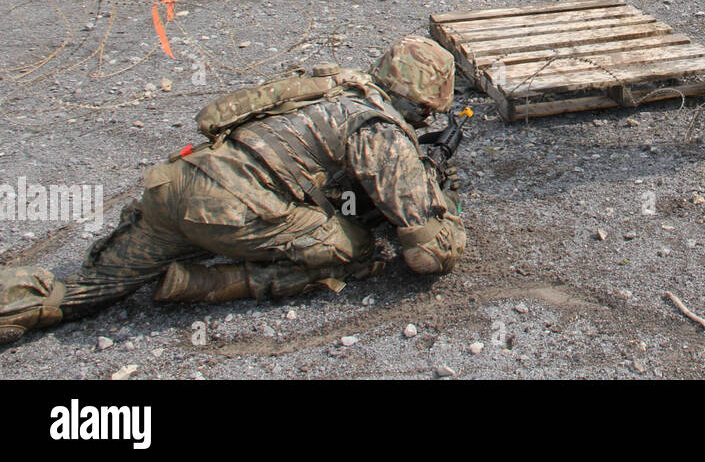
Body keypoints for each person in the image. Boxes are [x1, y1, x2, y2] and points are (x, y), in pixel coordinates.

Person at [0, 36, 467, 345]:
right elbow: (427, 255)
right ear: (424, 103)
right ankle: (208, 283)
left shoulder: (330, 84)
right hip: (235, 209)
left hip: (178, 184)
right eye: (425, 113)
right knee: (359, 248)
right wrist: (437, 194)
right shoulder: (381, 131)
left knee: (81, 292)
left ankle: (18, 301)